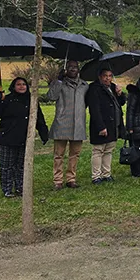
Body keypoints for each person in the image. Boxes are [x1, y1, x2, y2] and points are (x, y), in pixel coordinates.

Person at [0, 78, 49, 197]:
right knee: (7, 166)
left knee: (21, 165)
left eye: (23, 84)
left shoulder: (31, 100)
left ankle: (20, 187)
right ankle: (7, 189)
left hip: (24, 137)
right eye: (18, 84)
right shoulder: (7, 99)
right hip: (7, 137)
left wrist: (44, 133)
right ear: (13, 86)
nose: (21, 86)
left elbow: (38, 117)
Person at [46, 60, 88, 190]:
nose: (73, 69)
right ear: (65, 69)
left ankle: (71, 179)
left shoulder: (84, 85)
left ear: (78, 69)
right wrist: (58, 80)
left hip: (78, 124)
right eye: (70, 67)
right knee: (59, 154)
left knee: (75, 154)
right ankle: (58, 180)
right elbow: (51, 96)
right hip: (62, 123)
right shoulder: (60, 83)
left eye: (75, 67)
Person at [86, 68, 126, 184]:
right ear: (100, 77)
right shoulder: (94, 88)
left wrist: (120, 93)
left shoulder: (113, 87)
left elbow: (121, 102)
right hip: (102, 124)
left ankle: (106, 174)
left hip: (113, 124)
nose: (107, 78)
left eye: (109, 76)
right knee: (98, 150)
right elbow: (94, 109)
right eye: (105, 76)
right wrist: (101, 127)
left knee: (109, 150)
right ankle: (96, 176)